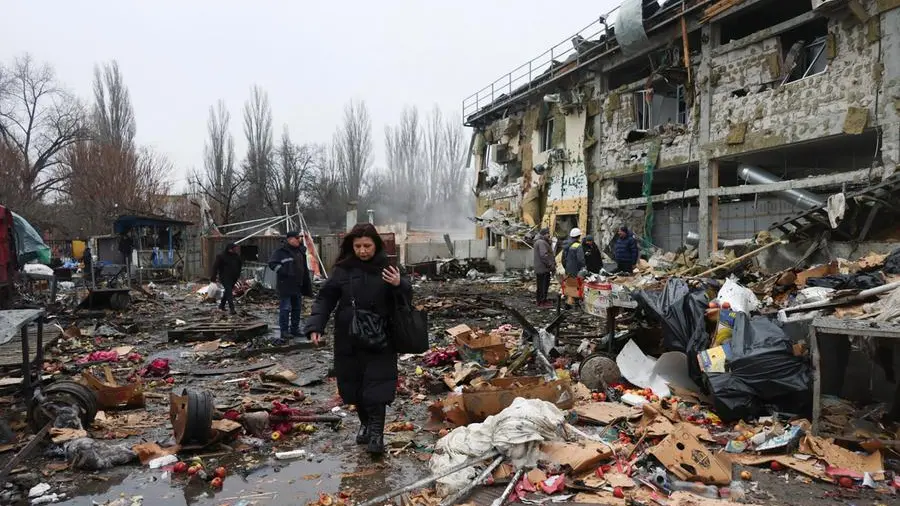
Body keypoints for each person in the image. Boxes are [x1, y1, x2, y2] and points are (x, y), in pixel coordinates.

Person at [305, 223, 411, 455]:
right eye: (358, 246)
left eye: (367, 246)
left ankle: (376, 434)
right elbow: (325, 298)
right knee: (354, 386)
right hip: (349, 337)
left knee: (377, 386)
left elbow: (407, 298)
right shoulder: (343, 270)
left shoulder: (388, 268)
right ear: (351, 247)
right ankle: (365, 423)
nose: (363, 251)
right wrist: (316, 325)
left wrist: (399, 284)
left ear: (376, 245)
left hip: (381, 337)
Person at [268, 231, 313, 340]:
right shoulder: (281, 252)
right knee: (285, 308)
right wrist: (284, 272)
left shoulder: (300, 251)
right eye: (297, 238)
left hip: (298, 285)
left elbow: (303, 268)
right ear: (289, 239)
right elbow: (272, 264)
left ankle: (294, 329)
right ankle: (284, 331)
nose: (299, 240)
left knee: (297, 308)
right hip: (286, 285)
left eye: (300, 238)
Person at [211, 242, 242, 315]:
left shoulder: (236, 256)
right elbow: (215, 267)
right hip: (225, 277)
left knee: (228, 291)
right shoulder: (221, 256)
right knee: (229, 291)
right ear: (229, 249)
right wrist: (213, 277)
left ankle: (222, 305)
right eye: (234, 249)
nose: (235, 250)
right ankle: (232, 309)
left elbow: (239, 265)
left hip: (234, 277)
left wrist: (238, 275)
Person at [561, 227, 586, 307]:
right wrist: (583, 267)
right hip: (575, 269)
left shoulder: (566, 245)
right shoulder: (578, 246)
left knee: (569, 285)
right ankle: (575, 301)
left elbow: (563, 259)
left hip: (568, 269)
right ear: (579, 236)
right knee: (577, 285)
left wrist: (566, 267)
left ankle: (569, 301)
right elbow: (581, 260)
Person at [532, 228, 554, 307]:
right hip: (543, 268)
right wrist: (550, 264)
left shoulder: (539, 242)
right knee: (543, 286)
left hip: (540, 268)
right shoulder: (541, 242)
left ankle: (540, 300)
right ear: (544, 234)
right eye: (548, 234)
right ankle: (542, 301)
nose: (549, 235)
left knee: (540, 285)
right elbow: (544, 255)